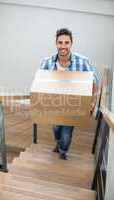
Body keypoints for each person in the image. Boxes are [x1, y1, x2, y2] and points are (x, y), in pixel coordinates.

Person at [41, 28, 99, 160]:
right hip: (55, 104)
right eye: (60, 42)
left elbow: (95, 82)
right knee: (56, 128)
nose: (63, 46)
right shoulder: (47, 62)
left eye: (66, 43)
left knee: (66, 131)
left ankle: (62, 151)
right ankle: (57, 143)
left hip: (73, 104)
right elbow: (39, 82)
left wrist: (93, 101)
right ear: (56, 43)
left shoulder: (82, 61)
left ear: (71, 44)